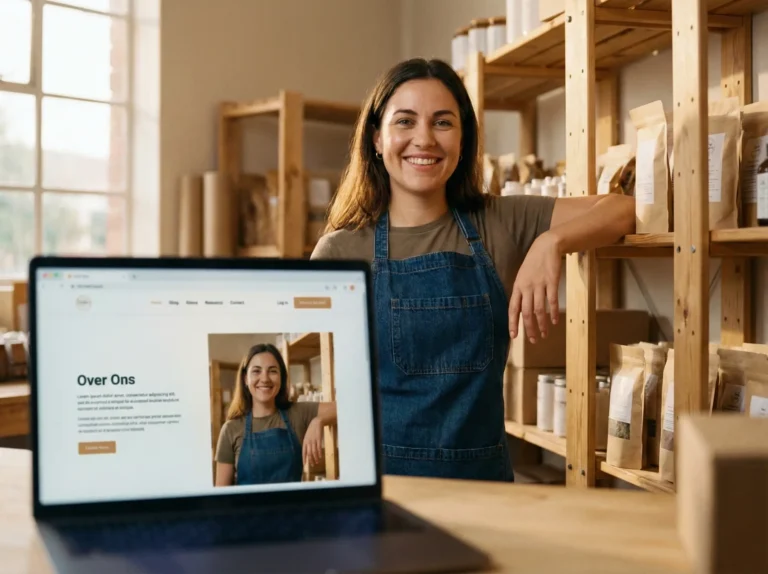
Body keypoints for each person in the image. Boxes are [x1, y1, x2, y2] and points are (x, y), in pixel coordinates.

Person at [311, 58, 635, 482]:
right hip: (384, 492)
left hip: (484, 489)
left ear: (462, 140)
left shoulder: (500, 221)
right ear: (376, 138)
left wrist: (551, 241)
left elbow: (624, 209)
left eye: (442, 123)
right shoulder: (341, 250)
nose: (424, 139)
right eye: (405, 122)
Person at [214, 343, 337, 486]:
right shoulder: (230, 429)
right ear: (245, 379)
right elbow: (222, 497)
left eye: (272, 371)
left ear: (282, 378)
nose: (265, 379)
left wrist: (319, 420)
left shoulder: (298, 413)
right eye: (256, 371)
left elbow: (348, 407)